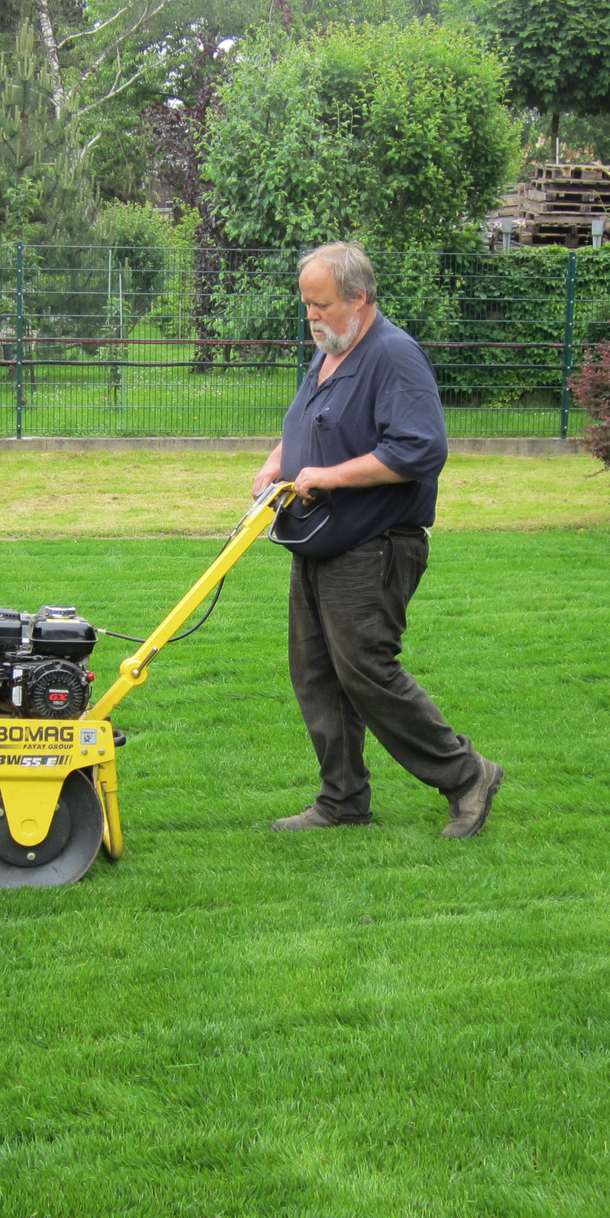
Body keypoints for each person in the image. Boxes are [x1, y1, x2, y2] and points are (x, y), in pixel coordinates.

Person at [251, 242, 503, 838]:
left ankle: (467, 775)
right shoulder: (330, 354)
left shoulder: (393, 355)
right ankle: (342, 801)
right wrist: (276, 461)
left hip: (375, 543)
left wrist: (329, 476)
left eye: (321, 305)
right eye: (306, 305)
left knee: (365, 669)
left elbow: (420, 450)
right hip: (319, 539)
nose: (311, 316)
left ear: (359, 299)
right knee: (315, 673)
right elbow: (317, 425)